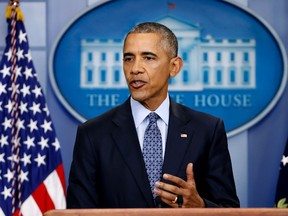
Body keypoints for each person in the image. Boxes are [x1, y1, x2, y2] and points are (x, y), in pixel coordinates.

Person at [66, 22, 240, 208]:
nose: (135, 69)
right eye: (128, 59)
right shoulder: (93, 134)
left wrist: (201, 207)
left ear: (174, 66)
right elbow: (79, 211)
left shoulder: (207, 130)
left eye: (148, 58)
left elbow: (229, 209)